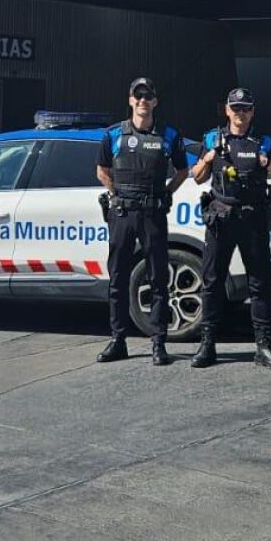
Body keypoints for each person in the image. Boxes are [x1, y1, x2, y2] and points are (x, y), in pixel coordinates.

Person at [190, 87, 271, 372]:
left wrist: (267, 162)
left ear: (252, 111)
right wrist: (208, 159)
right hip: (221, 217)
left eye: (245, 108)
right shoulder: (212, 138)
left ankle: (263, 346)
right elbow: (197, 177)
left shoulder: (264, 141)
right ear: (227, 110)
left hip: (253, 218)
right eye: (235, 108)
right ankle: (207, 344)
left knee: (259, 283)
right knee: (212, 281)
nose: (240, 113)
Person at [95, 77, 190, 366]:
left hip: (153, 214)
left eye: (148, 96)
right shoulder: (114, 134)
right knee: (118, 278)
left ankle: (158, 342)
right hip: (123, 214)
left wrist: (165, 193)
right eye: (138, 96)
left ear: (155, 101)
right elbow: (101, 170)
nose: (142, 101)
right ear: (130, 100)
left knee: (158, 279)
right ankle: (118, 340)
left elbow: (182, 171)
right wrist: (117, 193)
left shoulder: (169, 135)